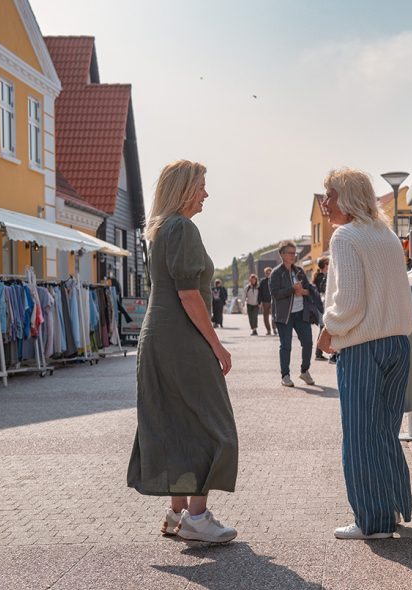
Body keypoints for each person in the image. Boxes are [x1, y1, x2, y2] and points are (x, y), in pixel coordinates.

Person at [127, 159, 238, 544]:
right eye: (202, 186)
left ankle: (177, 514)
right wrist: (217, 344)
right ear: (186, 189)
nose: (206, 194)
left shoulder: (160, 230)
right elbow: (190, 295)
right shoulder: (183, 228)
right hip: (182, 339)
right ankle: (198, 516)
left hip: (156, 338)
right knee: (212, 426)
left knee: (175, 424)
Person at [317, 168, 412, 540]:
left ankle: (372, 522)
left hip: (362, 347)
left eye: (330, 194)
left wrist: (329, 328)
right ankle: (392, 508)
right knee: (385, 433)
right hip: (397, 345)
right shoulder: (385, 234)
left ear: (348, 197)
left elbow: (350, 302)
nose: (325, 203)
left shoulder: (345, 236)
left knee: (360, 436)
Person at [270, 241, 323, 387]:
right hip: (284, 316)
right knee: (286, 346)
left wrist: (303, 291)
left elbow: (309, 289)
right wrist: (292, 290)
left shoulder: (299, 271)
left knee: (308, 343)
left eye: (294, 253)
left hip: (301, 313)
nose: (293, 256)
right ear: (282, 254)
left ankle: (304, 371)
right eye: (290, 253)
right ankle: (285, 375)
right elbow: (274, 294)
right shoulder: (276, 273)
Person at [313, 258, 329, 361]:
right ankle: (319, 353)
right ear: (324, 265)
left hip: (323, 304)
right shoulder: (320, 277)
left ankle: (319, 353)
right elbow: (322, 290)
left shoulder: (323, 276)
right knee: (323, 327)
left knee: (323, 328)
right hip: (321, 305)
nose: (329, 265)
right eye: (328, 263)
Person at [258, 267, 275, 336]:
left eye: (269, 272)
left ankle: (274, 329)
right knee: (265, 317)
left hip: (274, 301)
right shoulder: (262, 282)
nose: (268, 274)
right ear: (265, 274)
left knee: (274, 316)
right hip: (265, 301)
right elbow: (260, 293)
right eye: (267, 273)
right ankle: (268, 330)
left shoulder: (275, 280)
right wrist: (259, 302)